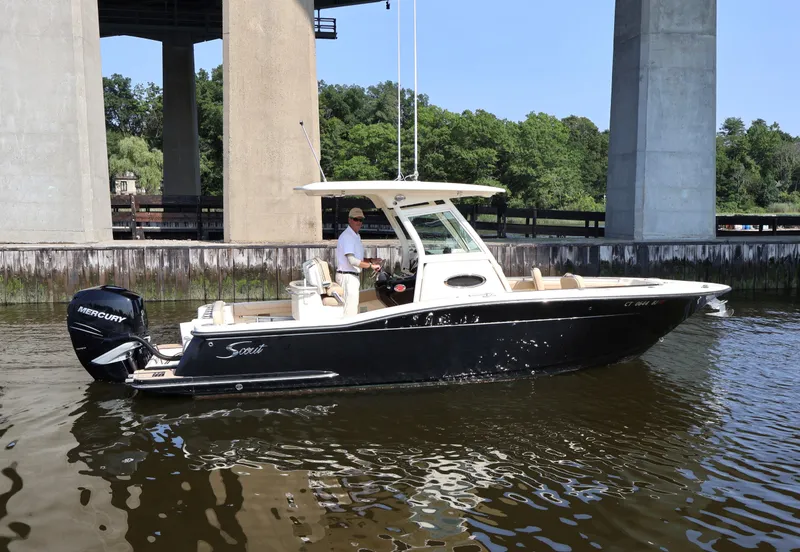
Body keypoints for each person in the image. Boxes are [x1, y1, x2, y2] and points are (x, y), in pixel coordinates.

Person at [336, 207, 381, 316]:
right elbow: (352, 260)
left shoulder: (355, 235)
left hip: (351, 277)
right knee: (349, 312)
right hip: (347, 277)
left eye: (361, 220)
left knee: (352, 309)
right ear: (349, 220)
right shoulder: (347, 236)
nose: (359, 222)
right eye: (356, 219)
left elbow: (358, 259)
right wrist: (371, 266)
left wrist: (371, 260)